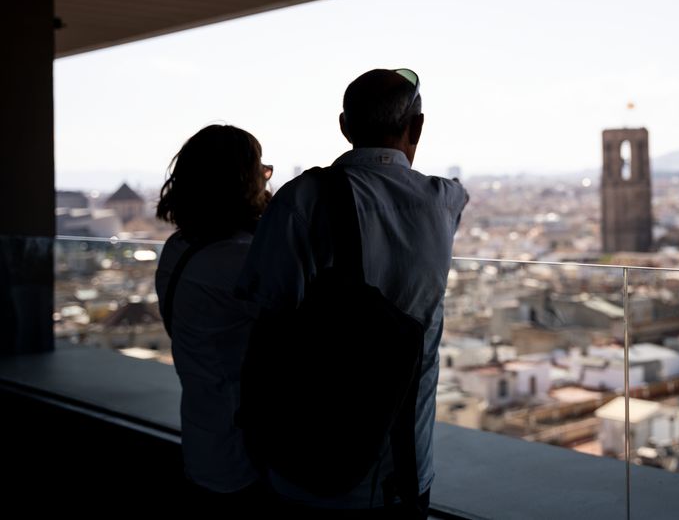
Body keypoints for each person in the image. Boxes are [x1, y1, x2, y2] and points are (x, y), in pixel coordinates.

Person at [237, 69, 468, 516]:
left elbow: (267, 313)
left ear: (344, 127)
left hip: (310, 451)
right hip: (408, 460)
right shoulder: (443, 200)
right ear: (417, 127)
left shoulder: (299, 200)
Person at [154, 124, 272, 504]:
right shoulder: (238, 259)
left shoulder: (177, 247)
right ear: (243, 182)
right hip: (246, 454)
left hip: (204, 437)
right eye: (262, 171)